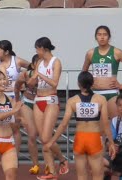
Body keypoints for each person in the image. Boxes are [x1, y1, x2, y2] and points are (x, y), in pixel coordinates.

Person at [44, 71, 116, 180]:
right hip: (94, 138)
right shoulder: (101, 99)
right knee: (98, 175)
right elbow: (106, 123)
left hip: (80, 139)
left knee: (81, 176)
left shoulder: (72, 101)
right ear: (92, 83)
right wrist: (111, 143)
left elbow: (64, 124)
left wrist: (52, 141)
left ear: (78, 84)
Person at [28, 37, 69, 180]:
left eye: (37, 49)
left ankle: (62, 159)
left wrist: (40, 75)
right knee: (43, 139)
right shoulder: (39, 62)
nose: (36, 52)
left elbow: (54, 83)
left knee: (46, 136)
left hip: (51, 99)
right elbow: (32, 82)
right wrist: (30, 80)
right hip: (38, 99)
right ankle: (52, 172)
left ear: (42, 48)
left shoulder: (55, 61)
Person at [82, 25, 122, 119]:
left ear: (109, 37)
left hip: (112, 93)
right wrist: (87, 86)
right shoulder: (90, 53)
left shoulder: (117, 52)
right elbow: (84, 73)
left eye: (105, 34)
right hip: (95, 93)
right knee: (98, 126)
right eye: (99, 34)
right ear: (96, 37)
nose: (102, 37)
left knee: (115, 122)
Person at [0, 40, 30, 154]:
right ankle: (3, 153)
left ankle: (15, 154)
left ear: (6, 51)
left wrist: (24, 79)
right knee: (2, 126)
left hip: (15, 97)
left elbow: (33, 66)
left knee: (15, 127)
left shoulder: (17, 61)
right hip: (1, 98)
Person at [14, 54, 40, 175]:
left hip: (42, 103)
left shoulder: (49, 74)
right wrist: (18, 101)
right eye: (38, 63)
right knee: (32, 134)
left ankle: (55, 162)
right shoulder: (25, 74)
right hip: (28, 102)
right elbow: (17, 86)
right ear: (33, 64)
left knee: (45, 136)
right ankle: (35, 164)